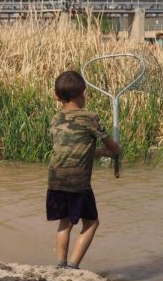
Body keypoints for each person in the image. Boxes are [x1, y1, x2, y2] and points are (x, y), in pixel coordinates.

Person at [47, 70, 123, 270]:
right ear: (84, 93)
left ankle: (60, 265)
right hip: (78, 182)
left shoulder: (55, 120)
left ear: (56, 96)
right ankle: (73, 265)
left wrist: (101, 153)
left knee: (65, 222)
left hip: (56, 179)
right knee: (91, 223)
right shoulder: (91, 118)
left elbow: (74, 149)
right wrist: (115, 151)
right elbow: (113, 146)